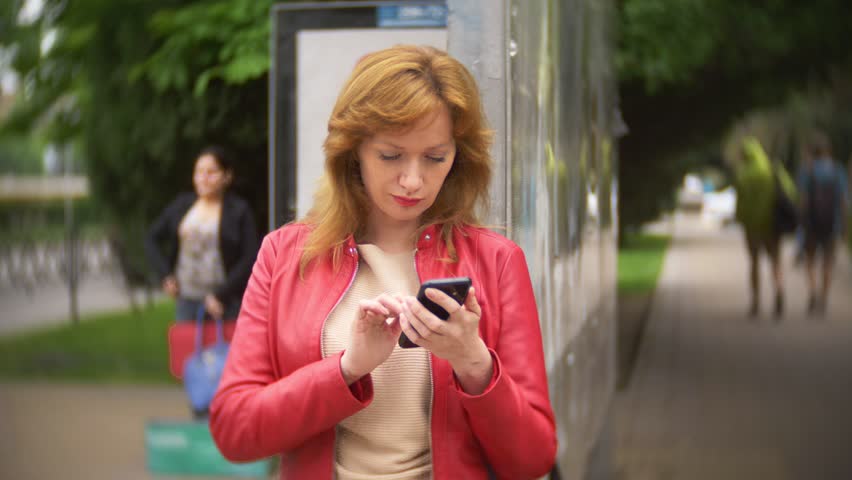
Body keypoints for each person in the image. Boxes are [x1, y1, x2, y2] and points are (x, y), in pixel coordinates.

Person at [209, 45, 557, 479]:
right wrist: (347, 368)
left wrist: (474, 363)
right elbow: (235, 430)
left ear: (459, 156)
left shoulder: (498, 261)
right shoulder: (283, 254)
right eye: (391, 155)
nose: (413, 180)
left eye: (435, 157)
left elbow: (533, 458)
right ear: (353, 149)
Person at [144, 146, 259, 322]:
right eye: (198, 172)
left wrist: (221, 295)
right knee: (188, 341)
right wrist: (166, 275)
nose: (203, 178)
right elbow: (151, 238)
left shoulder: (239, 211)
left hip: (226, 302)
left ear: (227, 176)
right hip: (187, 300)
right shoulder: (182, 205)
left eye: (211, 172)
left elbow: (250, 256)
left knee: (228, 341)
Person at [733, 137, 795, 318]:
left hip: (752, 227)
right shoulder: (772, 170)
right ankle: (779, 289)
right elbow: (790, 191)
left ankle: (756, 302)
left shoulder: (743, 175)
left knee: (754, 263)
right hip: (773, 225)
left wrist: (741, 219)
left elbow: (740, 205)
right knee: (776, 261)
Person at [797, 132, 848, 315]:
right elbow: (843, 201)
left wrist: (801, 222)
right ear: (828, 151)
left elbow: (803, 200)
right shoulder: (837, 170)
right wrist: (844, 225)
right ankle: (824, 298)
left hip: (811, 224)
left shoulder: (807, 170)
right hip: (832, 224)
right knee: (828, 262)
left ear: (813, 151)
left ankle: (813, 291)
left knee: (810, 261)